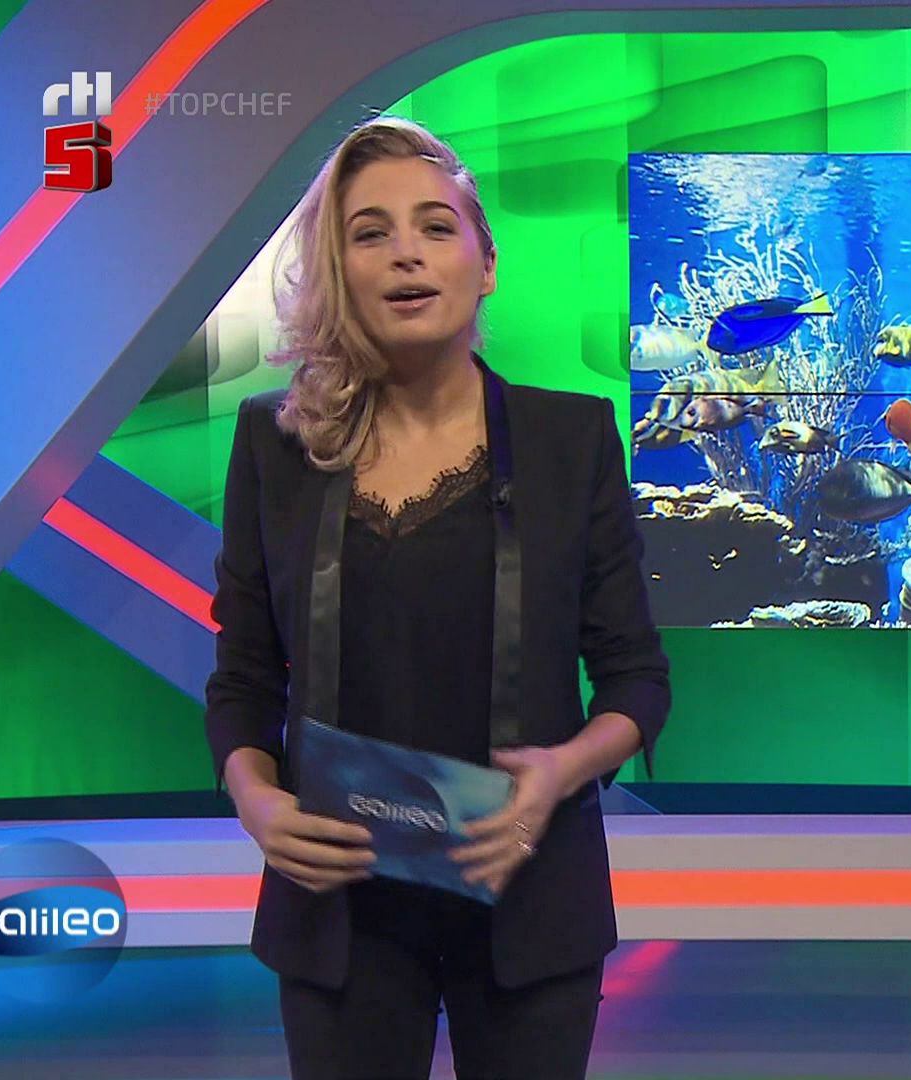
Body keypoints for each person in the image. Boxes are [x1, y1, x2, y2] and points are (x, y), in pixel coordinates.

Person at [203, 114, 670, 1080]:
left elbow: (635, 681)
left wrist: (557, 774)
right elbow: (244, 675)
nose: (406, 254)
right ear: (338, 272)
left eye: (435, 227)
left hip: (529, 899)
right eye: (370, 233)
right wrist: (257, 802)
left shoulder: (571, 440)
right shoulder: (274, 445)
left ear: (485, 264)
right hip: (340, 910)